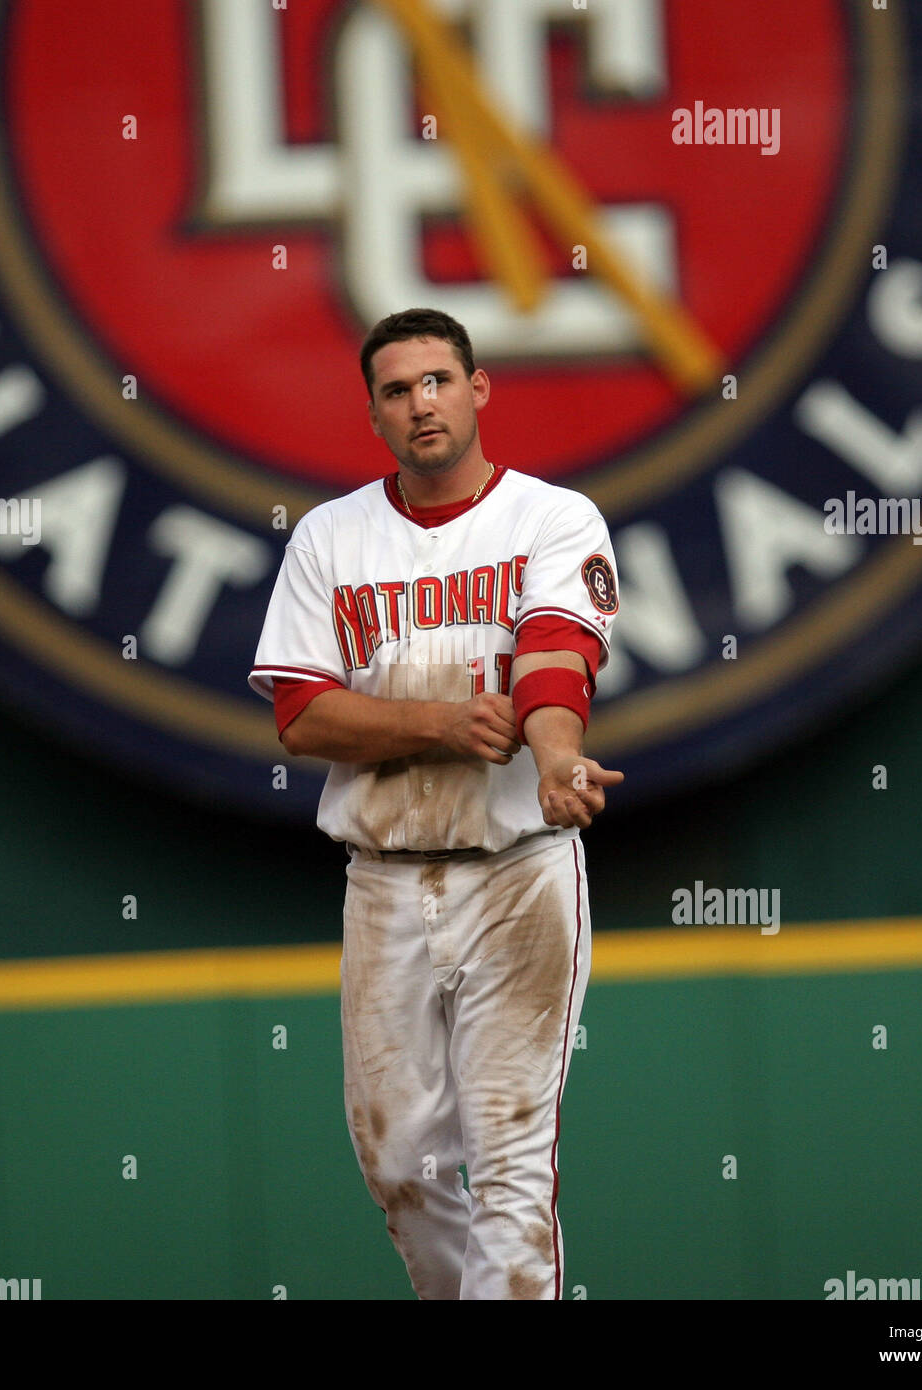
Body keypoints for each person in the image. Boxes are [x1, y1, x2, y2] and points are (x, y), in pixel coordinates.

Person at [248, 307, 623, 1299]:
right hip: (386, 877)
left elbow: (553, 656)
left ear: (478, 388)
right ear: (372, 413)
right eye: (398, 389)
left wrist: (556, 759)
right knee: (399, 1164)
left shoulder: (550, 516)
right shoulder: (332, 537)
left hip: (517, 865)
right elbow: (301, 713)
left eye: (438, 381)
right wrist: (439, 723)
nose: (422, 403)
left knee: (509, 1152)